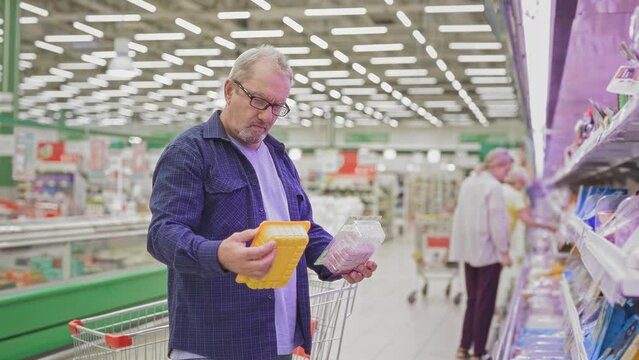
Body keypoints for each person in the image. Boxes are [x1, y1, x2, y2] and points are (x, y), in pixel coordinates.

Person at [147, 45, 377, 360]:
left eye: (278, 107)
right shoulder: (190, 152)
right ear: (229, 90)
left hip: (279, 341)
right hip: (216, 342)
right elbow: (162, 234)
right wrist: (218, 255)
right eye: (258, 101)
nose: (266, 116)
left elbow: (302, 231)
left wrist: (339, 261)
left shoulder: (279, 157)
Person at [450, 148, 514, 360]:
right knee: (485, 302)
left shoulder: (470, 183)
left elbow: (460, 216)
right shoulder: (493, 187)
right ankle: (479, 351)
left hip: (468, 250)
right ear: (498, 166)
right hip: (488, 252)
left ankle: (463, 347)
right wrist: (504, 251)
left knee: (472, 300)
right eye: (507, 169)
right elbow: (497, 223)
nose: (507, 174)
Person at [502, 168, 556, 263]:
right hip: (503, 236)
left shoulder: (502, 189)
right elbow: (527, 220)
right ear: (518, 182)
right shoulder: (515, 194)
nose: (522, 188)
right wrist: (548, 226)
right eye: (523, 184)